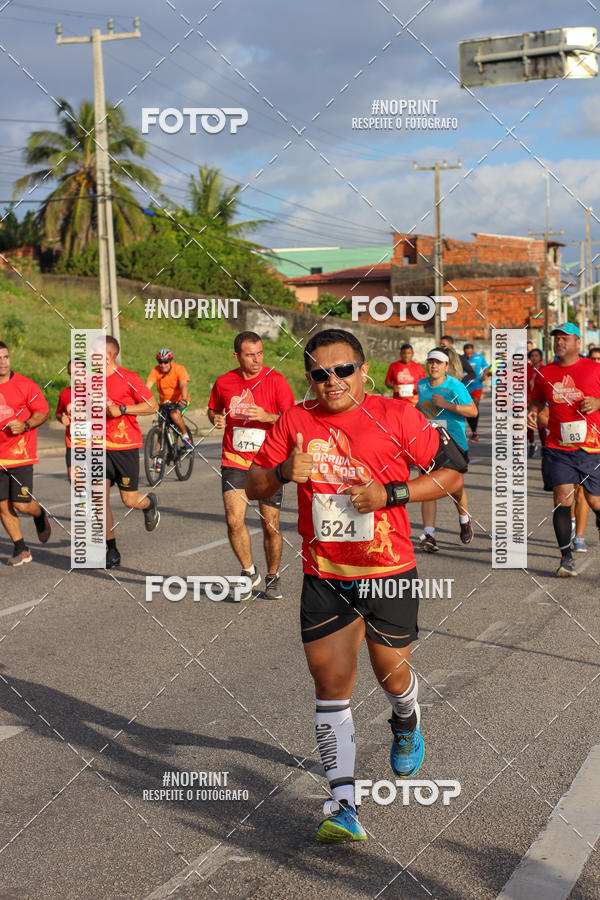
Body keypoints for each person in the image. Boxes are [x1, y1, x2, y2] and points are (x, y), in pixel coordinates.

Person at [246, 328, 466, 843]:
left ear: (364, 370)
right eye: (320, 373)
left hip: (389, 572)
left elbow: (453, 474)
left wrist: (392, 493)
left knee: (392, 676)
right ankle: (343, 805)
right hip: (327, 577)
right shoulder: (296, 420)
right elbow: (252, 482)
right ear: (310, 378)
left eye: (342, 370)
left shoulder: (398, 416)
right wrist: (281, 470)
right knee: (330, 689)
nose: (332, 381)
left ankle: (406, 715)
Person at [208, 331, 295, 600]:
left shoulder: (276, 381)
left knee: (270, 525)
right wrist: (216, 419)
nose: (257, 360)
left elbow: (293, 421)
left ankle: (272, 575)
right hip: (234, 459)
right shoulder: (224, 382)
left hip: (268, 462)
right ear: (237, 356)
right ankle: (248, 572)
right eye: (250, 355)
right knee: (234, 520)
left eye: (260, 353)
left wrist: (269, 416)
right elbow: (213, 409)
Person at [528, 323, 600, 577]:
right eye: (556, 338)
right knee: (562, 499)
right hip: (557, 446)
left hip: (591, 447)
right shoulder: (545, 372)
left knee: (594, 501)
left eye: (564, 338)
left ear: (577, 342)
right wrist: (534, 411)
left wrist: (598, 401)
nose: (559, 342)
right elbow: (537, 398)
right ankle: (565, 558)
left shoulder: (594, 368)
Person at [102, 336, 160, 568]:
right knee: (99, 500)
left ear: (109, 355)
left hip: (125, 447)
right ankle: (111, 550)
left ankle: (149, 503)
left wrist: (123, 409)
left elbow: (152, 405)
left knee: (129, 500)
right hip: (97, 447)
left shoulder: (128, 378)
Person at [416, 348, 477, 551]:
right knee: (427, 488)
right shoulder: (422, 384)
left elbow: (472, 410)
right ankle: (429, 535)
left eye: (438, 363)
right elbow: (420, 408)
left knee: (455, 489)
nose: (434, 365)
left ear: (446, 366)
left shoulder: (455, 387)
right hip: (428, 443)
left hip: (453, 444)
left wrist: (447, 405)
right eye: (431, 362)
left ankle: (464, 519)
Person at [0, 341, 51, 565]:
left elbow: (43, 412)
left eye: (5, 357)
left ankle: (38, 513)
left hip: (21, 454)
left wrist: (26, 425)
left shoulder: (25, 385)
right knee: (2, 505)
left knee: (20, 504)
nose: (2, 362)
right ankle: (21, 548)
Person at [145, 349, 193, 450]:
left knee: (174, 414)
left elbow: (184, 384)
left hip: (180, 402)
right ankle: (158, 462)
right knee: (161, 430)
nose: (163, 365)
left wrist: (183, 399)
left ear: (171, 361)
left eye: (166, 362)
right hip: (164, 404)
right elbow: (147, 386)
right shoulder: (156, 370)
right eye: (160, 362)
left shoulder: (179, 369)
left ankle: (186, 438)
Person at [461, 343, 489, 441]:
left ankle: (474, 432)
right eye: (466, 354)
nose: (468, 356)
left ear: (473, 351)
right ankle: (471, 432)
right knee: (467, 410)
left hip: (477, 385)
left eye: (470, 353)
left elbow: (486, 367)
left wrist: (484, 375)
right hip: (465, 387)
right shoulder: (461, 359)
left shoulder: (479, 358)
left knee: (474, 408)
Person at [527, 348, 546, 458]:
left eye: (536, 356)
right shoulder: (526, 370)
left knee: (540, 424)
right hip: (529, 400)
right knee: (530, 423)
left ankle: (544, 446)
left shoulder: (544, 369)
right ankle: (532, 443)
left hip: (542, 401)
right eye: (532, 356)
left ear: (540, 358)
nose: (534, 358)